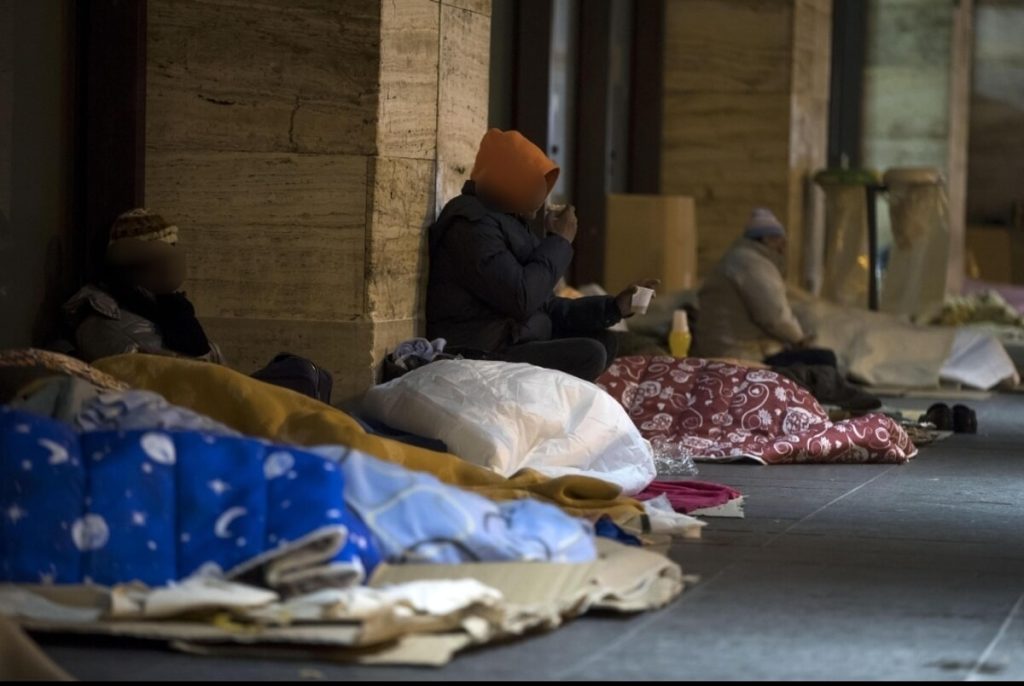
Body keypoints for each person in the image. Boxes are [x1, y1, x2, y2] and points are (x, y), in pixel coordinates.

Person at [426, 129, 656, 382]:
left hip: (515, 337)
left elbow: (547, 305)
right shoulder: (471, 227)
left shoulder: (508, 221)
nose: (542, 195)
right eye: (534, 184)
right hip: (481, 351)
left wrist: (614, 307)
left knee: (604, 342)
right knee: (589, 354)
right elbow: (521, 298)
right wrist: (559, 242)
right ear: (509, 181)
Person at [693, 208, 879, 410]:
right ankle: (817, 408)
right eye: (778, 240)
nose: (783, 246)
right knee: (823, 359)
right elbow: (774, 316)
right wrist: (799, 339)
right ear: (766, 239)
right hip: (744, 354)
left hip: (724, 350)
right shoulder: (752, 264)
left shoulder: (737, 259)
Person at [63, 208, 224, 364]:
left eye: (172, 249)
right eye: (162, 254)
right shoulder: (106, 327)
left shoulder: (170, 311)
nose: (171, 264)